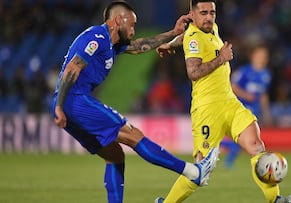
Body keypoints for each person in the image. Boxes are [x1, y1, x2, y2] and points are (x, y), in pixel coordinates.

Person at [52, 1, 219, 203]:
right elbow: (72, 68)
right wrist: (60, 106)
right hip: (74, 100)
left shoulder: (112, 44)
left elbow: (139, 47)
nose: (133, 30)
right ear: (116, 21)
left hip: (72, 103)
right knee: (132, 134)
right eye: (131, 25)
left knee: (115, 155)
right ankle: (193, 172)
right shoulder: (97, 37)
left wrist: (172, 33)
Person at [155, 0, 291, 202]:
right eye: (203, 12)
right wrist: (221, 58)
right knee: (200, 171)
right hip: (207, 108)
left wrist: (170, 44)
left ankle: (275, 200)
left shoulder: (210, 28)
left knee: (256, 146)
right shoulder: (194, 37)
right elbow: (193, 72)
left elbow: (184, 36)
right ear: (193, 14)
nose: (209, 17)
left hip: (229, 102)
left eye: (212, 12)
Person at [220, 44, 273, 168]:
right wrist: (246, 95)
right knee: (246, 139)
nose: (262, 58)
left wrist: (266, 111)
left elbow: (263, 94)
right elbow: (232, 86)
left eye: (264, 56)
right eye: (260, 55)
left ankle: (224, 154)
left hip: (255, 109)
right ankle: (222, 150)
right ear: (253, 56)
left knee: (245, 140)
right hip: (241, 108)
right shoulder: (244, 71)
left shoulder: (266, 74)